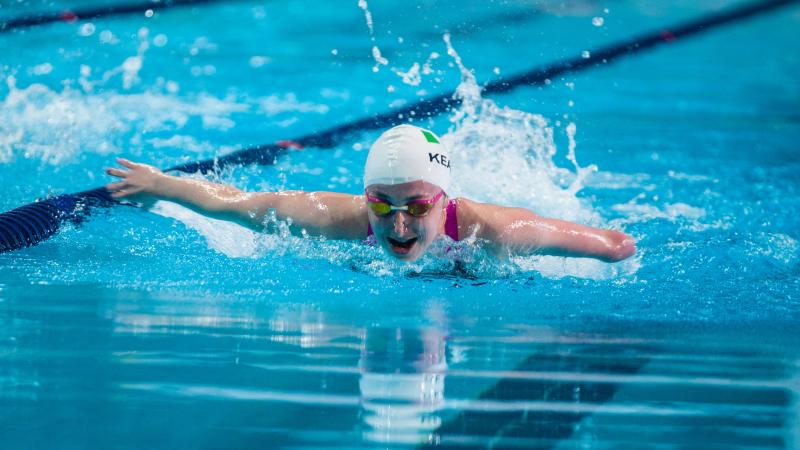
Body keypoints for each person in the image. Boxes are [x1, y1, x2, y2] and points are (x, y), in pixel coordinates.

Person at [105, 124, 635, 262]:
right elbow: (236, 202)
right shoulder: (334, 218)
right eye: (382, 204)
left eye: (417, 207)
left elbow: (603, 244)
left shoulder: (496, 231)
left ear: (445, 202)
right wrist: (161, 184)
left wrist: (613, 248)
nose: (397, 225)